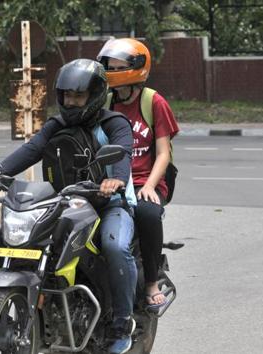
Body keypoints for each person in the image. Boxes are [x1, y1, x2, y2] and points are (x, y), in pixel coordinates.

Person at [0, 59, 138, 354]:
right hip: (66, 202)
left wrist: (115, 181)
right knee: (37, 245)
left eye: (78, 96)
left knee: (114, 247)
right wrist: (1, 173)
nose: (71, 102)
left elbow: (122, 155)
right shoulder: (57, 125)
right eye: (66, 96)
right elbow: (32, 149)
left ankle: (121, 322)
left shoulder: (114, 124)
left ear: (95, 96)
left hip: (110, 204)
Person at [97, 38, 180, 310]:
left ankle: (152, 282)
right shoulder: (105, 101)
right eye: (109, 66)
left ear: (136, 68)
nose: (112, 70)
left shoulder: (153, 101)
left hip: (147, 180)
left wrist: (151, 186)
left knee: (147, 213)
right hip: (111, 180)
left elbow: (164, 153)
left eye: (119, 66)